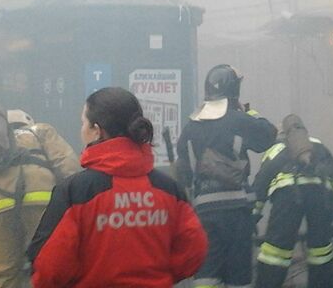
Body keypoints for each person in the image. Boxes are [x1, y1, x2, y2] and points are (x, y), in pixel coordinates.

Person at [27, 87, 208, 287]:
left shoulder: (75, 192)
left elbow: (48, 266)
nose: (81, 129)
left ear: (96, 130)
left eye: (83, 123)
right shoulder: (170, 190)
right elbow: (194, 249)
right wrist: (159, 275)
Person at [176, 64, 277, 288]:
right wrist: (249, 112)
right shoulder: (238, 120)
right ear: (234, 91)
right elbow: (268, 135)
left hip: (203, 212)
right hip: (236, 213)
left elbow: (183, 169)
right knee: (238, 277)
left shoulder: (191, 126)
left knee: (206, 273)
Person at [0, 105, 80, 288]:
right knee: (48, 263)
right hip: (41, 201)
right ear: (28, 121)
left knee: (4, 272)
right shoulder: (40, 130)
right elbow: (68, 166)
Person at [253, 114, 333, 288]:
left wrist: (254, 215)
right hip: (320, 196)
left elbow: (261, 184)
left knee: (276, 251)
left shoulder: (276, 150)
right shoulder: (318, 145)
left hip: (288, 198)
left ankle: (268, 284)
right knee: (321, 251)